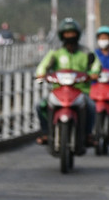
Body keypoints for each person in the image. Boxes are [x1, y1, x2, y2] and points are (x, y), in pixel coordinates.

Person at [35, 18, 100, 147]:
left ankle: (88, 134)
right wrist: (41, 74)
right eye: (67, 34)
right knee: (40, 105)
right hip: (58, 91)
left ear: (77, 34)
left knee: (92, 107)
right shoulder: (55, 53)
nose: (70, 37)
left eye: (72, 33)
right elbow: (43, 66)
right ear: (62, 35)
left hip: (81, 91)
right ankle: (46, 132)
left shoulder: (86, 52)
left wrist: (94, 72)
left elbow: (96, 64)